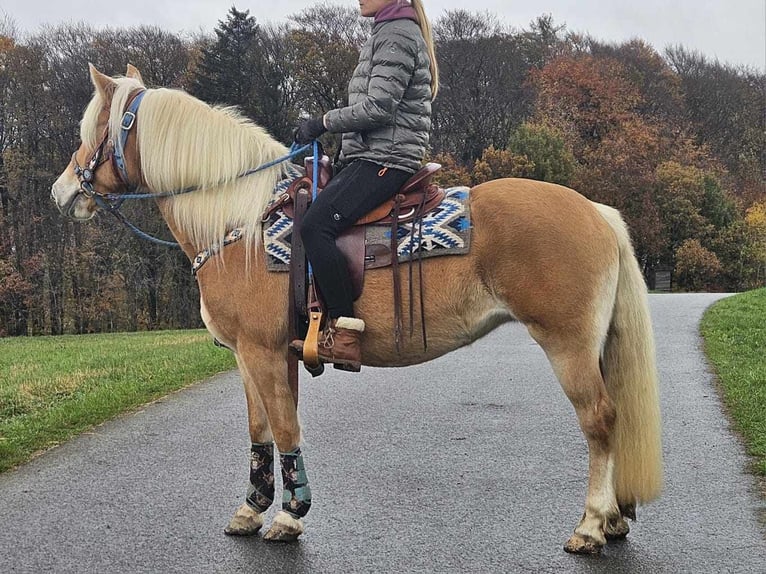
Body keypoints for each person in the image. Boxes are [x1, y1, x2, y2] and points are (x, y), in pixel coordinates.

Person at [291, 0, 439, 371]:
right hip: (371, 155)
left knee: (315, 226)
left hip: (386, 160)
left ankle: (344, 336)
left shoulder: (396, 32)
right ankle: (314, 324)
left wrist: (323, 122)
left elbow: (379, 107)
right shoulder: (386, 31)